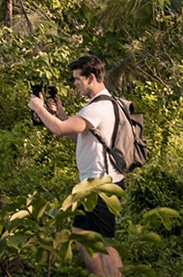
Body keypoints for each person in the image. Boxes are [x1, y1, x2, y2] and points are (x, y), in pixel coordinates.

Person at [28, 54, 123, 277]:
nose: (74, 83)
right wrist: (59, 114)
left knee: (104, 242)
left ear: (91, 77)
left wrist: (39, 108)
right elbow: (77, 135)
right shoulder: (96, 105)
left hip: (101, 185)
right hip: (90, 185)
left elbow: (60, 130)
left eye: (77, 79)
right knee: (80, 232)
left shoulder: (99, 107)